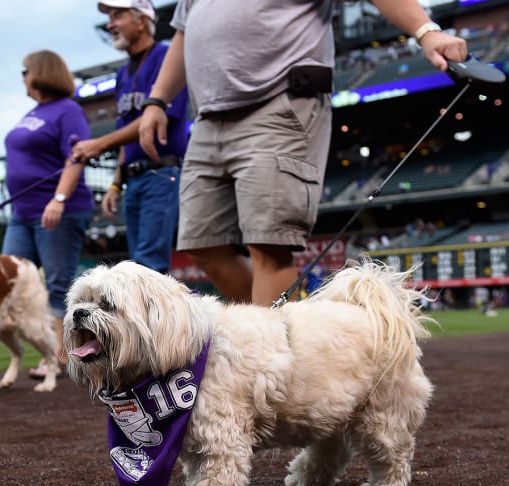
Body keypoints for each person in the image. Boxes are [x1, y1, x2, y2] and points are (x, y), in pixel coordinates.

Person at [138, 0, 467, 306]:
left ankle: (274, 361)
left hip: (278, 101)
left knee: (268, 245)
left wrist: (426, 31)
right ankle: (280, 337)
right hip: (208, 118)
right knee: (202, 247)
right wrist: (157, 100)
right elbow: (185, 34)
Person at [71, 0, 189, 274]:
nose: (111, 24)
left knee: (149, 266)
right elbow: (126, 135)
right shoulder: (123, 73)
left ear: (141, 19)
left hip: (161, 172)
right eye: (109, 17)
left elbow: (154, 119)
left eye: (118, 15)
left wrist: (99, 144)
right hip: (134, 179)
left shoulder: (165, 57)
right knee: (137, 265)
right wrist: (115, 185)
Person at [2, 49, 94, 378]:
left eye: (25, 71)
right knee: (7, 281)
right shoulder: (34, 112)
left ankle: (61, 354)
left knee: (58, 284)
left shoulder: (67, 110)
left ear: (41, 72)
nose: (23, 77)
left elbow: (76, 157)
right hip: (22, 213)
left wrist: (59, 198)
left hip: (57, 210)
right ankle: (41, 348)